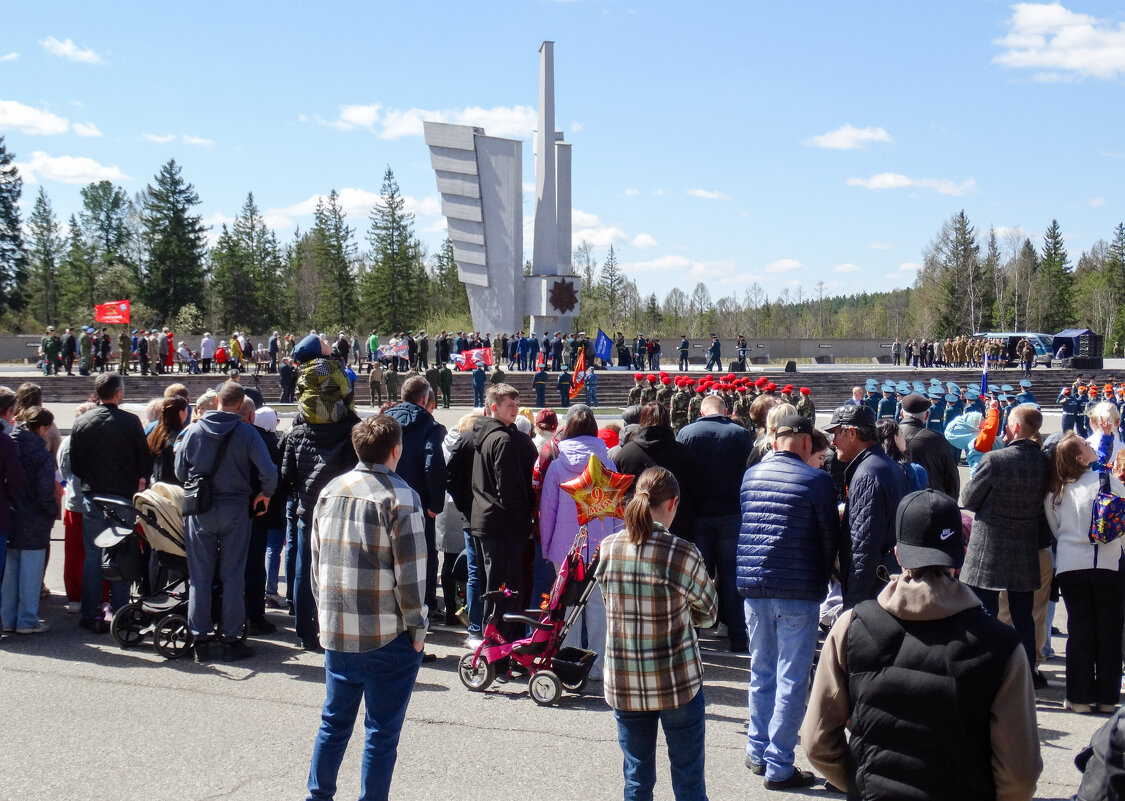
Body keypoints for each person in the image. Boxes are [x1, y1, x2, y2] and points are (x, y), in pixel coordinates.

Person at [801, 488, 1042, 800]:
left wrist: (861, 781)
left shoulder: (850, 626)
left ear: (899, 554)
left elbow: (816, 741)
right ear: (961, 555)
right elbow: (1020, 773)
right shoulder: (1003, 645)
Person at [306, 415, 427, 801]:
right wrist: (418, 630)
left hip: (338, 626)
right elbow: (412, 576)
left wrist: (325, 614)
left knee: (334, 722)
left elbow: (316, 562)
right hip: (385, 631)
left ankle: (318, 795)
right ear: (396, 450)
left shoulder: (331, 490)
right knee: (381, 733)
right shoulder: (401, 496)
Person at [596, 467, 717, 801]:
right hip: (676, 679)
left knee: (637, 779)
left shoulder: (608, 548)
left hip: (625, 680)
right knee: (689, 781)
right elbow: (709, 614)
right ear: (673, 503)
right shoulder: (682, 552)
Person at [737, 412, 838, 790]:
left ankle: (756, 748)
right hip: (797, 586)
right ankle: (779, 764)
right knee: (791, 676)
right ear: (807, 444)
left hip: (754, 583)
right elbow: (828, 536)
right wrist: (826, 575)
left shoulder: (751, 475)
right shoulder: (816, 480)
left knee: (761, 670)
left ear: (775, 441)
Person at [176, 382, 277, 662]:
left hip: (201, 509)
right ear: (240, 403)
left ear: (217, 400)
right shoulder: (246, 432)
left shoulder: (194, 429)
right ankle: (231, 639)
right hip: (235, 508)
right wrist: (264, 495)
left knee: (200, 576)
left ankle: (200, 639)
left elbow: (179, 470)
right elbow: (269, 472)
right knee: (233, 575)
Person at [960, 404, 1050, 674]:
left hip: (990, 545)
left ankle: (988, 669)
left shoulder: (996, 459)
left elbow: (968, 499)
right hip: (1025, 544)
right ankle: (1026, 671)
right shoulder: (1045, 462)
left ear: (1016, 427)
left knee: (984, 610)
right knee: (1023, 615)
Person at [1045, 433, 1124, 713]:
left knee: (1079, 631)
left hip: (1070, 564)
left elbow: (1055, 528)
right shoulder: (1107, 481)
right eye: (1086, 445)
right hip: (1107, 562)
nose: (1091, 446)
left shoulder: (1057, 490)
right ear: (1080, 457)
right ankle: (1106, 696)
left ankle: (1078, 697)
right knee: (1109, 631)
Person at [538, 407, 619, 680]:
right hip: (601, 547)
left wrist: (548, 548)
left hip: (566, 549)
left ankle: (567, 662)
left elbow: (547, 511)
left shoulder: (559, 465)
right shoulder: (608, 465)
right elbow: (618, 511)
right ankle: (597, 665)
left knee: (566, 607)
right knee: (598, 608)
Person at [69, 373, 151, 633]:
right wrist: (139, 479)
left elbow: (76, 463)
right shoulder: (130, 422)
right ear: (118, 393)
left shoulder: (83, 421)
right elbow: (144, 459)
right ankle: (121, 612)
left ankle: (90, 612)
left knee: (93, 556)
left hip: (94, 495)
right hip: (122, 497)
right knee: (122, 554)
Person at [677, 394, 753, 651]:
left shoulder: (687, 433)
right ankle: (738, 635)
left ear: (701, 410)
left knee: (697, 577)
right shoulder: (740, 434)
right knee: (732, 577)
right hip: (731, 512)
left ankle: (694, 636)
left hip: (698, 515)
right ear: (726, 410)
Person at [469, 383, 537, 643]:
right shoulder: (503, 439)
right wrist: (524, 521)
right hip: (503, 525)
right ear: (494, 407)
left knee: (494, 587)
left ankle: (494, 643)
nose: (515, 410)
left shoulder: (485, 435)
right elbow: (508, 489)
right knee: (505, 590)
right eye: (510, 405)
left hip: (486, 521)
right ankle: (500, 646)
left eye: (517, 405)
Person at [384, 377, 447, 659]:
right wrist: (435, 503)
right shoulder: (430, 426)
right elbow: (433, 463)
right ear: (425, 400)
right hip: (417, 504)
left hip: (383, 498)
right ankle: (418, 628)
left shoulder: (384, 419)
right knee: (420, 564)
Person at [822, 404, 906, 610]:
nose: (833, 443)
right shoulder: (886, 465)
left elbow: (862, 546)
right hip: (887, 581)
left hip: (871, 591)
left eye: (836, 434)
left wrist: (855, 603)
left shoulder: (867, 474)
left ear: (852, 433)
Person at [2, 407, 57, 635]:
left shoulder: (9, 443)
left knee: (10, 571)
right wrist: (51, 511)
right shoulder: (40, 454)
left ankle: (7, 618)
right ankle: (27, 620)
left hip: (10, 513)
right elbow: (45, 491)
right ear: (42, 427)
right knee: (31, 572)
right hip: (35, 518)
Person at [614, 402, 697, 543]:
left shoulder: (626, 453)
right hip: (678, 530)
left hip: (635, 530)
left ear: (642, 421)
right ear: (668, 421)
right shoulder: (683, 453)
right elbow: (694, 491)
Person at [896, 393, 958, 498]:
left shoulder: (885, 436)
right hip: (930, 502)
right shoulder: (938, 439)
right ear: (927, 415)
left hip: (896, 503)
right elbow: (951, 478)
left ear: (901, 414)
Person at [147, 397, 189, 485]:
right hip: (174, 487)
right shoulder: (181, 436)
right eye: (186, 411)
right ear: (181, 413)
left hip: (157, 484)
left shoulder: (155, 434)